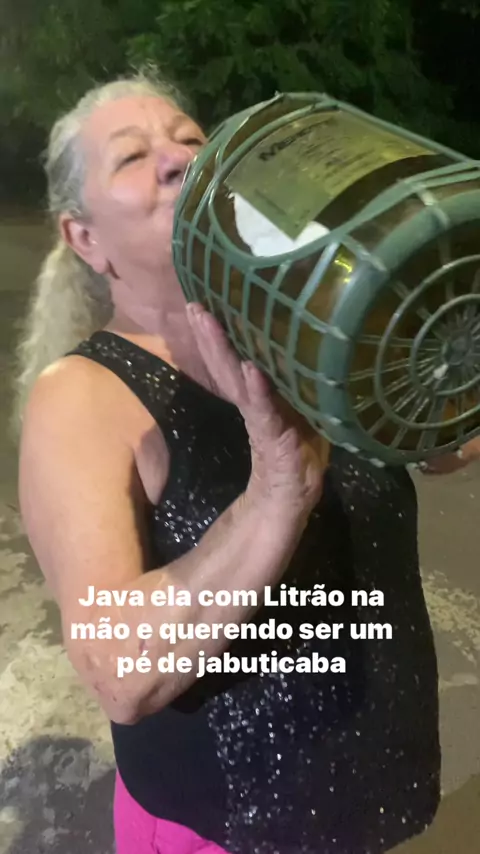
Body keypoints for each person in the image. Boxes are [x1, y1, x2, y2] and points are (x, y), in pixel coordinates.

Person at [13, 70, 480, 854]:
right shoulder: (82, 397)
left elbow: (437, 444)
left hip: (374, 807)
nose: (178, 159)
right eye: (132, 157)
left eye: (189, 140)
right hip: (222, 831)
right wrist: (275, 492)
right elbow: (121, 671)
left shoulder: (306, 328)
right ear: (84, 238)